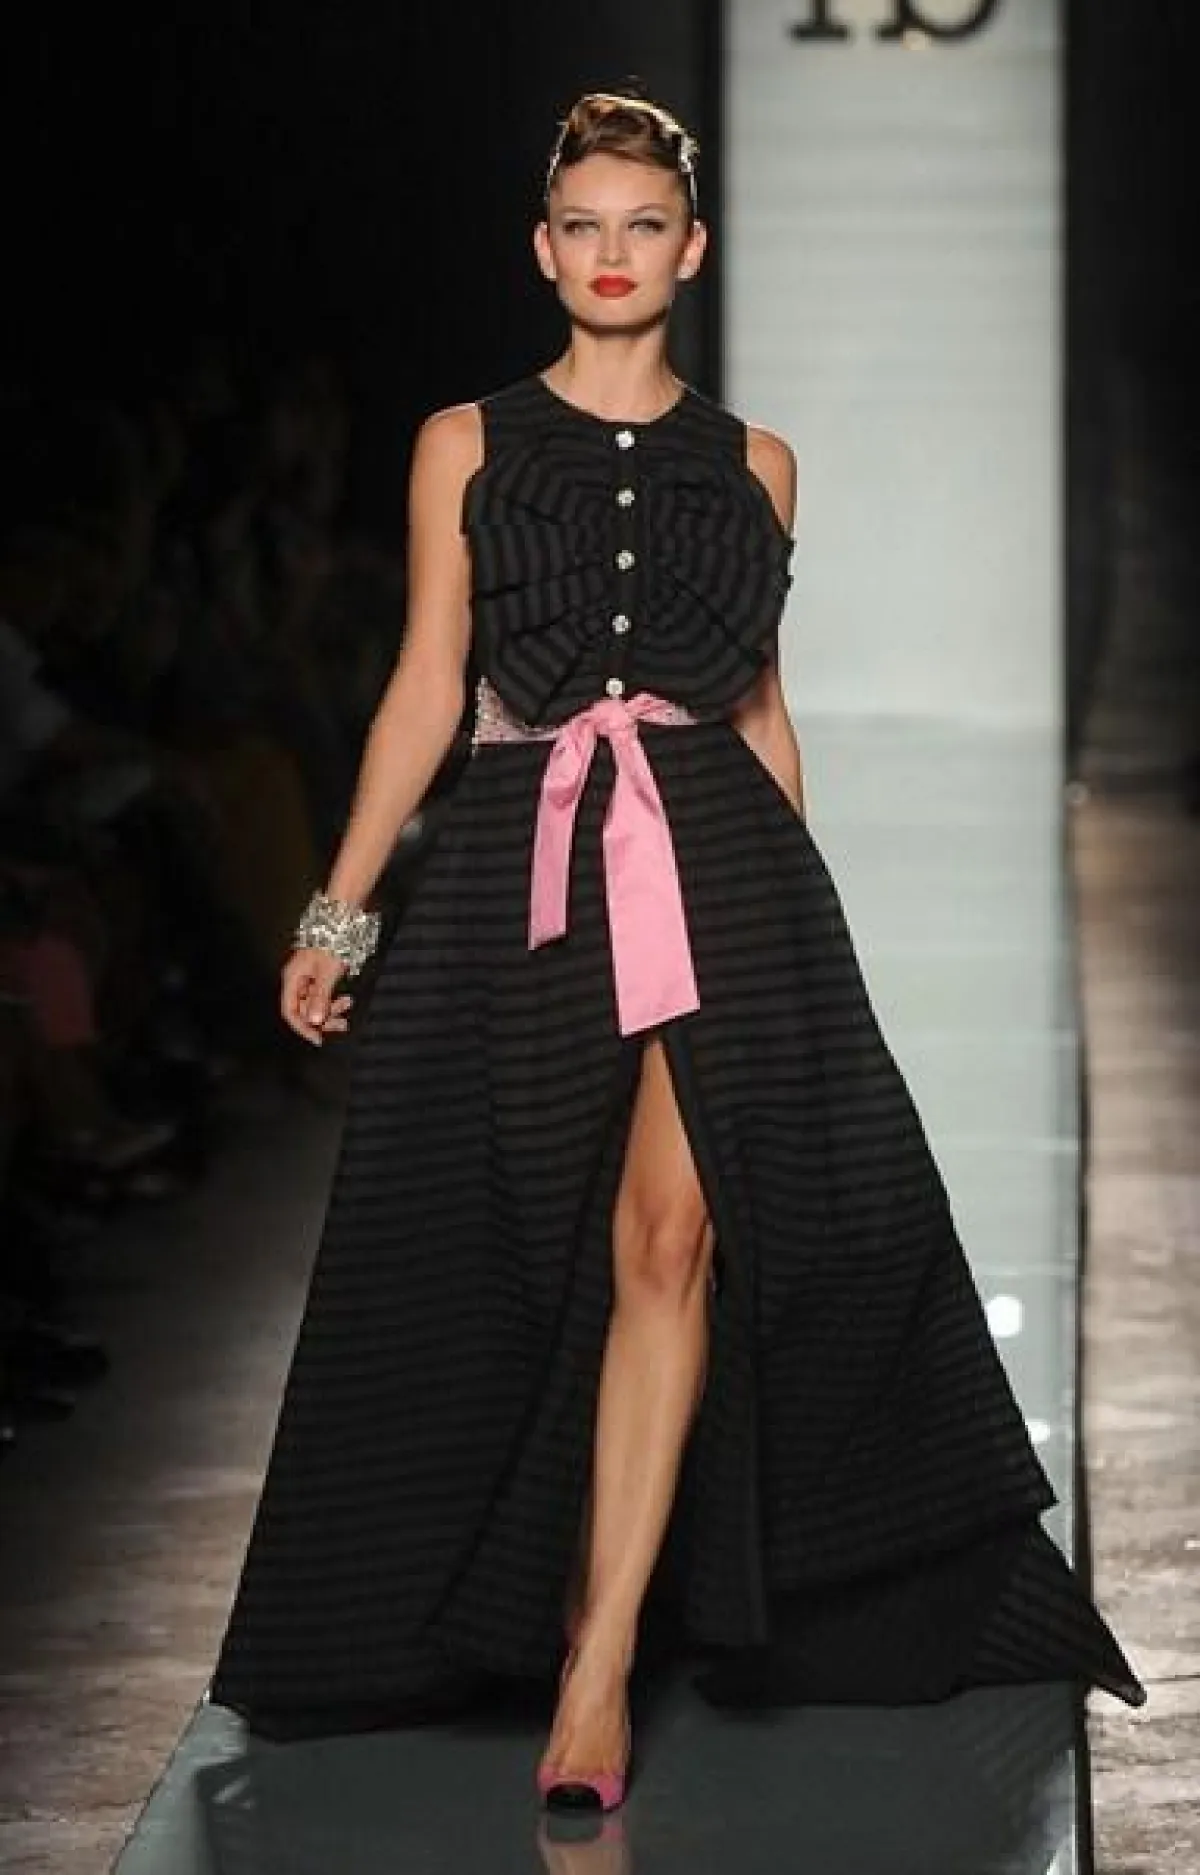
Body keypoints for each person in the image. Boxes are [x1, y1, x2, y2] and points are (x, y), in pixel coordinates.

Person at [208, 91, 1145, 1813]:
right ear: (543, 246)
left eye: (644, 224)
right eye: (585, 224)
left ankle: (602, 1662)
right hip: (522, 869)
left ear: (692, 248)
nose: (613, 253)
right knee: (512, 1245)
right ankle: (539, 1595)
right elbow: (427, 685)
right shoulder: (465, 444)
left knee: (672, 1239)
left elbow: (762, 707)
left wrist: (809, 932)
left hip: (720, 869)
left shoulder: (755, 463)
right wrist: (341, 908)